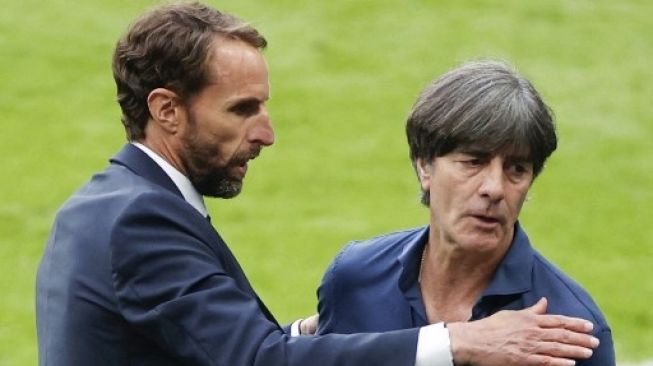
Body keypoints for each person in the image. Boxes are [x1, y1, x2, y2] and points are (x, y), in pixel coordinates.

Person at [35, 3, 599, 366]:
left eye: (517, 168)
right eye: (242, 109)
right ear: (168, 110)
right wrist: (460, 341)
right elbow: (256, 361)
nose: (267, 133)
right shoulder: (140, 221)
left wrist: (317, 331)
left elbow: (217, 346)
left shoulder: (104, 204)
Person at [316, 60, 615, 365]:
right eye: (473, 162)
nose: (495, 188)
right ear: (424, 166)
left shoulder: (570, 330)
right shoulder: (355, 279)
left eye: (517, 169)